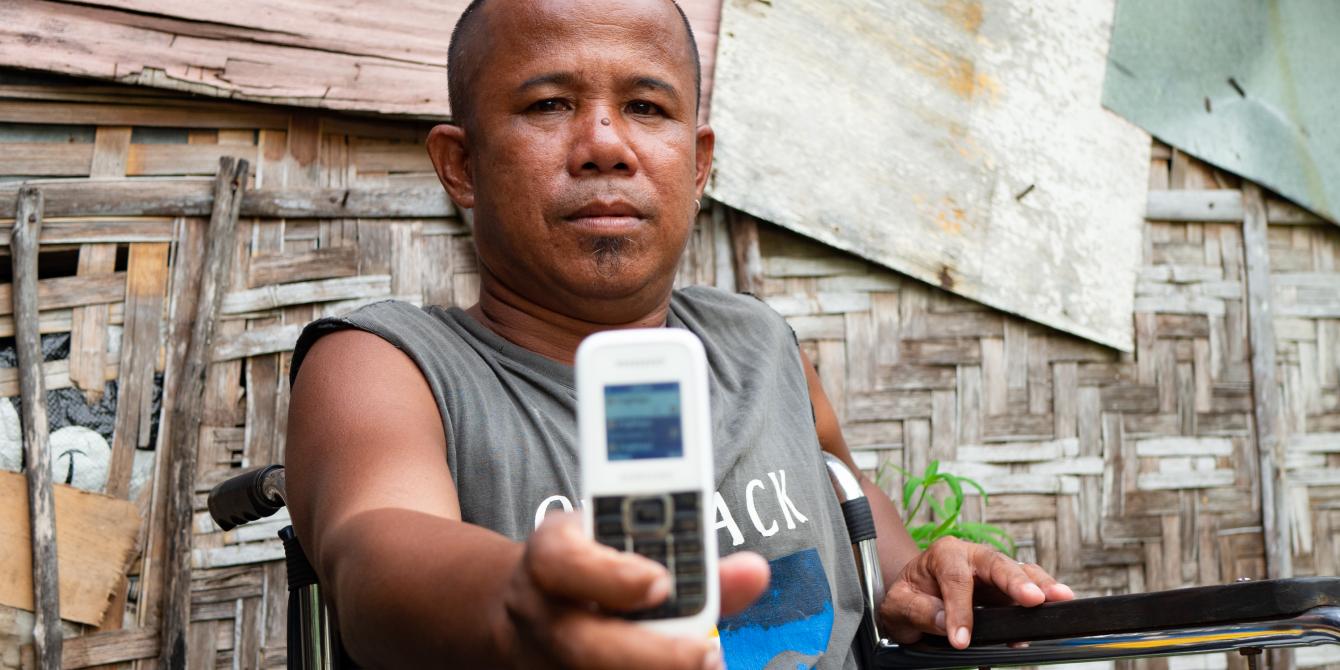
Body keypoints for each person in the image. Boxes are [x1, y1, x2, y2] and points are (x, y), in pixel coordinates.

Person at [284, 0, 1075, 667]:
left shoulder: (760, 344)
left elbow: (840, 489)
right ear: (460, 165)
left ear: (697, 166)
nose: (605, 145)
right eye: (548, 104)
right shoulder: (388, 364)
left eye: (648, 107)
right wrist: (518, 600)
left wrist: (917, 576)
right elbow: (371, 552)